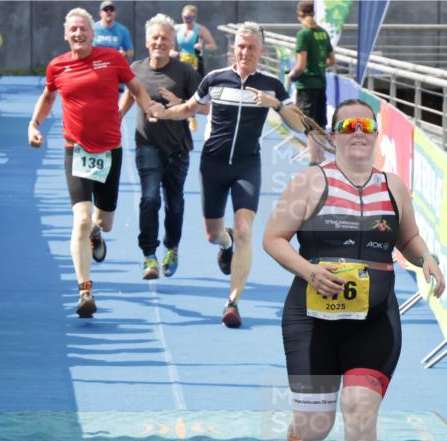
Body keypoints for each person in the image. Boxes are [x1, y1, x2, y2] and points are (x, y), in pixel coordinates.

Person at [262, 99, 446, 441]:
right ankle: (302, 427)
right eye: (348, 126)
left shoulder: (393, 187)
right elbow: (273, 239)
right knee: (319, 426)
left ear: (377, 135)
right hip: (313, 319)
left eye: (366, 125)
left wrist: (428, 260)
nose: (358, 132)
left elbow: (408, 239)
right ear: (335, 134)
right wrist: (308, 271)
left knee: (361, 413)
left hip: (374, 320)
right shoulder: (310, 181)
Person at [150, 22, 310, 328]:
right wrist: (163, 113)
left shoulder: (271, 84)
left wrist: (275, 104)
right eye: (241, 46)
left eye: (251, 47)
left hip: (247, 166)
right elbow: (189, 108)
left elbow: (300, 125)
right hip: (213, 164)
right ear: (232, 49)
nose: (245, 52)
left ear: (261, 51)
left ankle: (232, 302)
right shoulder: (214, 79)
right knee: (214, 235)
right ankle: (227, 244)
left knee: (246, 229)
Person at [28, 8, 155, 318]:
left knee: (103, 222)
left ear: (92, 31)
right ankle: (85, 290)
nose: (78, 34)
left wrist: (148, 105)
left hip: (110, 150)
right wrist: (34, 124)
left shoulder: (112, 59)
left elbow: (136, 87)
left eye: (83, 28)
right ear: (65, 34)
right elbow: (48, 98)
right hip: (77, 150)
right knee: (81, 220)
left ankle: (96, 235)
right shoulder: (57, 66)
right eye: (73, 29)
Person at [119, 14, 203, 280]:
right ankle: (149, 255)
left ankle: (172, 248)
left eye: (165, 38)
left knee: (174, 203)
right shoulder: (137, 68)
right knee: (150, 198)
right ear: (146, 41)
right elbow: (129, 97)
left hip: (178, 148)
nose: (159, 42)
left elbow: (203, 106)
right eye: (155, 37)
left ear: (172, 41)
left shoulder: (185, 72)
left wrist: (180, 102)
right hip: (147, 144)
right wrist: (114, 119)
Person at [289, 1, 335, 165]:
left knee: (310, 125)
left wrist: (291, 76)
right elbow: (332, 60)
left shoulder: (304, 34)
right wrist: (318, 66)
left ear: (299, 14)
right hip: (320, 83)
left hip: (306, 86)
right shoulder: (323, 33)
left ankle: (313, 162)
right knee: (320, 124)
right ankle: (321, 159)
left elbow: (300, 65)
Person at [173, 4, 216, 79]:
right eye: (185, 17)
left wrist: (203, 46)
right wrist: (171, 51)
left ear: (195, 17)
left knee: (196, 85)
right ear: (182, 16)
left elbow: (213, 46)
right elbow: (169, 42)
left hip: (196, 64)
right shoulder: (177, 28)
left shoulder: (201, 30)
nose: (187, 20)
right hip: (181, 62)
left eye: (190, 18)